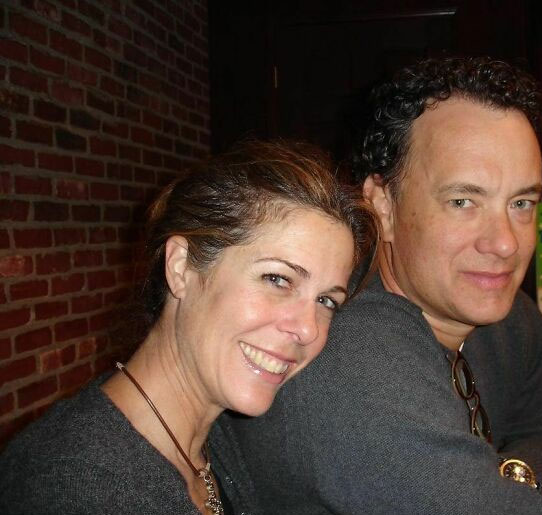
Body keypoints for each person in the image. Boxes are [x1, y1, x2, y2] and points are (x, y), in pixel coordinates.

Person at [211, 57, 542, 514]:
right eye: (462, 201)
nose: (505, 243)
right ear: (382, 205)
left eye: (521, 203)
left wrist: (511, 474)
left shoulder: (508, 315)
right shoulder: (352, 355)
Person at [0, 140, 377, 514]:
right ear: (181, 267)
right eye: (277, 279)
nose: (309, 330)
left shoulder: (213, 439)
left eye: (327, 301)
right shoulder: (77, 488)